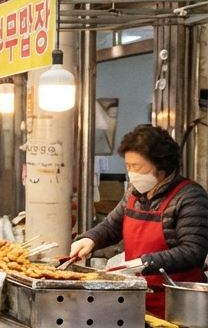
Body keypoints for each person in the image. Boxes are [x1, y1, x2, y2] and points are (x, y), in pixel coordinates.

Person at [70, 124, 208, 317]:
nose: (131, 173)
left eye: (137, 167)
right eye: (128, 166)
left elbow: (193, 251)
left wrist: (144, 263)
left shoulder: (190, 196)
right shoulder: (133, 193)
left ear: (160, 166)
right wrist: (89, 240)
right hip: (136, 300)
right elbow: (111, 226)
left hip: (178, 305)